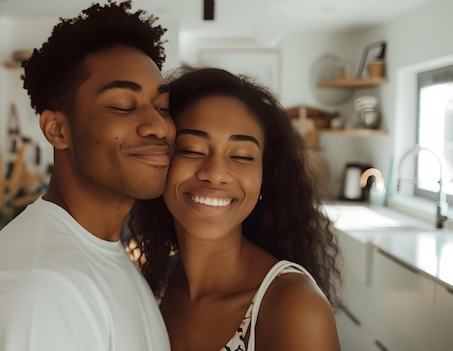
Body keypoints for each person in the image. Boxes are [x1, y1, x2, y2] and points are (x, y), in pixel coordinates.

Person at [0, 1, 174, 350]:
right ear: (57, 129)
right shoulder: (40, 292)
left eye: (162, 107)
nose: (158, 126)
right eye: (122, 105)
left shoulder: (97, 251)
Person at [127, 67, 342, 351]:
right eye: (192, 149)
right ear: (160, 162)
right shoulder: (156, 284)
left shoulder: (293, 307)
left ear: (266, 178)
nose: (215, 174)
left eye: (241, 156)